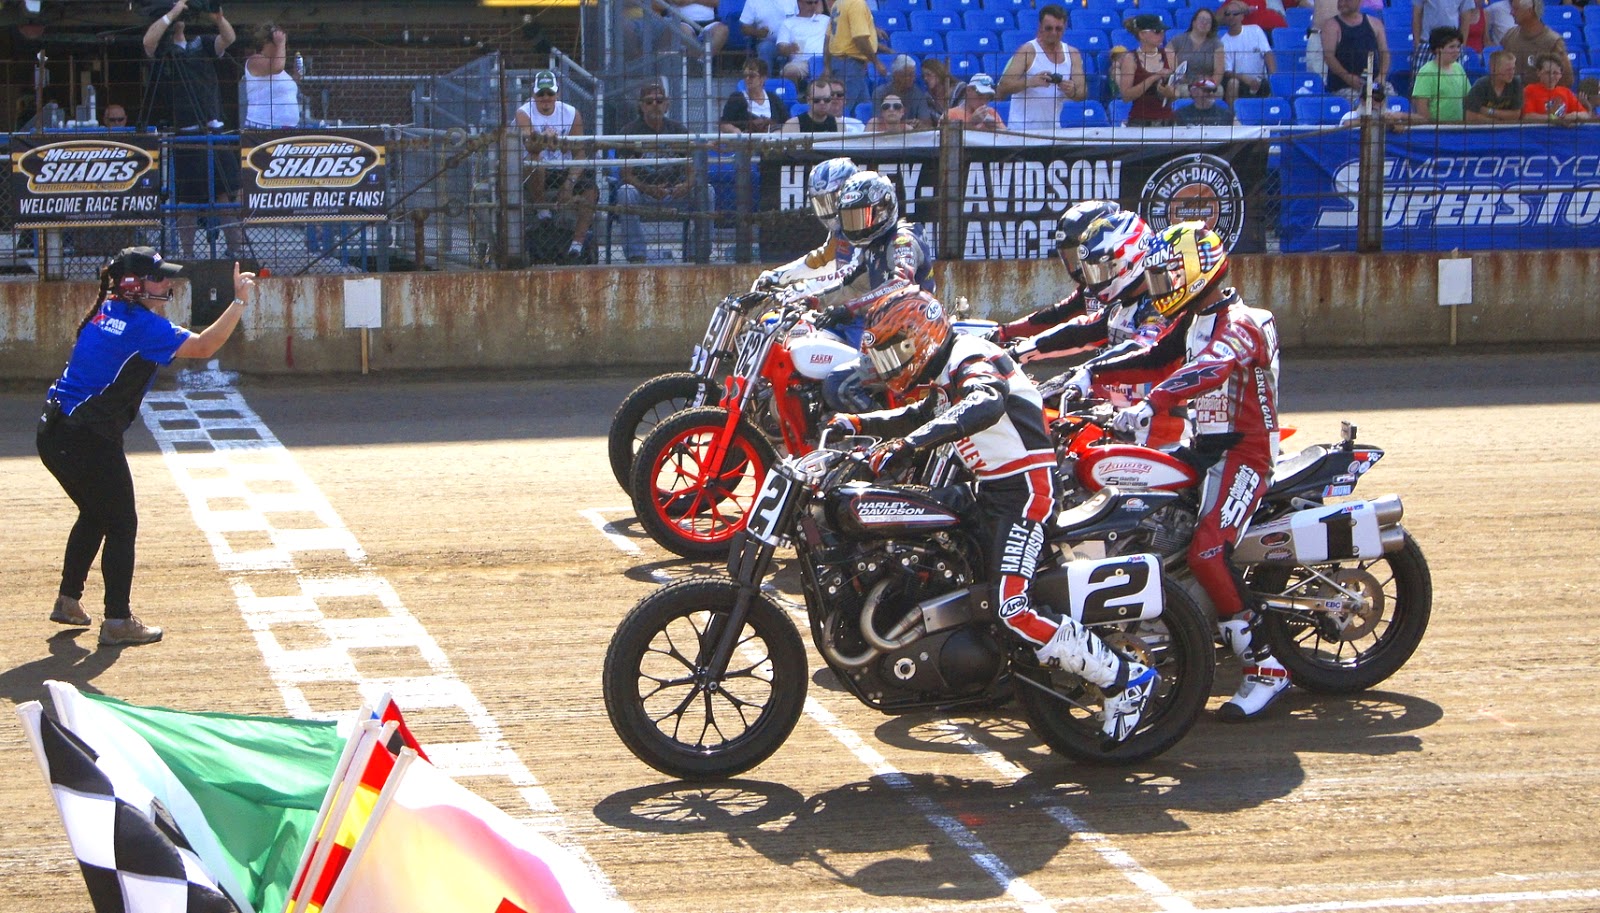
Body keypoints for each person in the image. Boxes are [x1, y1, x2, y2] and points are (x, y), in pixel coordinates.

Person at [826, 288, 1158, 747]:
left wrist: (907, 446)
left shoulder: (972, 357)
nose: (888, 367)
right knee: (921, 536)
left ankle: (1125, 678)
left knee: (1012, 607)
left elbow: (984, 402)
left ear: (917, 339)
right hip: (989, 490)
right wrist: (860, 425)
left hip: (1025, 494)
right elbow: (922, 413)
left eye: (891, 355)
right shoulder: (946, 371)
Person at [1072, 222, 1291, 721]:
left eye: (1165, 278)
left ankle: (1266, 668)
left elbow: (1209, 368)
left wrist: (1156, 400)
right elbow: (1154, 355)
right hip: (1202, 447)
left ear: (1194, 273)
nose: (1159, 289)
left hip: (1245, 454)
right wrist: (1091, 372)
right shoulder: (1194, 319)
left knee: (1208, 550)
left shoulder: (1242, 322)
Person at [37, 246, 256, 647]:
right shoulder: (141, 326)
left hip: (55, 433)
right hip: (86, 438)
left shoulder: (108, 310)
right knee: (121, 523)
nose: (167, 283)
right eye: (159, 278)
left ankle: (69, 601)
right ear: (135, 286)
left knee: (96, 513)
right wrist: (239, 300)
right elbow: (205, 346)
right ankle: (118, 620)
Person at [1006, 210, 1189, 448]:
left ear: (1129, 261)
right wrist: (1017, 352)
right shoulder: (1122, 306)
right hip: (1120, 427)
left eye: (1103, 270)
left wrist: (1082, 372)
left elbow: (1141, 348)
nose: (1096, 280)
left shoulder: (1162, 305)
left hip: (1160, 439)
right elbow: (1079, 331)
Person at [795, 171, 937, 409]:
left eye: (862, 217)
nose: (856, 226)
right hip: (888, 334)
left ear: (883, 210)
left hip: (915, 337)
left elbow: (902, 283)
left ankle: (881, 437)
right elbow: (848, 285)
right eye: (850, 219)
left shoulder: (902, 240)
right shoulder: (872, 246)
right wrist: (809, 301)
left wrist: (849, 309)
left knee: (839, 384)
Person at [142, 0, 242, 259]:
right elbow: (148, 43)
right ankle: (188, 254)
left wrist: (218, 17)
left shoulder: (202, 43)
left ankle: (234, 250)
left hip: (213, 128)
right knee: (186, 199)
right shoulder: (166, 49)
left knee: (225, 193)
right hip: (186, 131)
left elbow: (228, 38)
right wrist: (173, 12)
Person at [991, 199, 1123, 346]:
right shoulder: (1093, 287)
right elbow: (1059, 314)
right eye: (1073, 256)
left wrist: (1032, 348)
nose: (1079, 265)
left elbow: (1091, 331)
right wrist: (1005, 331)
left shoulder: (1136, 284)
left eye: (1082, 254)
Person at [614, 83, 711, 264]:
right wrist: (647, 188)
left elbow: (692, 170)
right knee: (625, 191)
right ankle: (637, 256)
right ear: (641, 106)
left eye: (659, 101)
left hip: (674, 193)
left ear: (667, 104)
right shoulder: (629, 132)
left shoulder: (679, 131)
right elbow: (625, 175)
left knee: (707, 190)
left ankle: (699, 252)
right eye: (649, 101)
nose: (654, 105)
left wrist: (686, 186)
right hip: (642, 193)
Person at [515, 70, 597, 264]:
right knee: (535, 160)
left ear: (557, 94)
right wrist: (543, 140)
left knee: (591, 189)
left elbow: (580, 153)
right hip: (533, 169)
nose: (545, 98)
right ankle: (543, 210)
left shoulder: (571, 113)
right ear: (534, 95)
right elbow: (529, 144)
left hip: (563, 168)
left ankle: (577, 244)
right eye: (541, 94)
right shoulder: (524, 113)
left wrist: (569, 184)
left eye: (550, 93)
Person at [998, 5, 1088, 132]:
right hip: (1022, 130)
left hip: (1052, 131)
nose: (1054, 33)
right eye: (1049, 28)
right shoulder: (1028, 50)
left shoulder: (1073, 54)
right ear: (1040, 27)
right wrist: (1030, 82)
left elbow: (1082, 92)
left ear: (1065, 27)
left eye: (1058, 29)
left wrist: (1071, 91)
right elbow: (1004, 86)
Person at [1321, 0, 1394, 103]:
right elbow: (1328, 57)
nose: (1342, 3)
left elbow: (1384, 52)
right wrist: (1347, 77)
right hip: (1344, 86)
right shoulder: (1331, 26)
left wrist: (1382, 75)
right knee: (1361, 105)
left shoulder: (1375, 23)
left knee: (1393, 104)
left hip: (1374, 82)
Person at [1117, 14, 1180, 127]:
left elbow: (1177, 91)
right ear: (1142, 34)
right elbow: (1126, 96)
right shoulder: (1130, 58)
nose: (1161, 34)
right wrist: (1153, 78)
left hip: (1167, 120)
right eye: (1157, 31)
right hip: (1140, 122)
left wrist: (1171, 93)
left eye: (1163, 31)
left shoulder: (1169, 55)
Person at [824, 0, 886, 112]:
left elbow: (828, 39)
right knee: (841, 110)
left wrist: (827, 66)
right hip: (850, 65)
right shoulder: (856, 3)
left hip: (845, 63)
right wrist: (876, 62)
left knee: (865, 108)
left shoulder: (838, 3)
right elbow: (860, 38)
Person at [1500, 0, 1573, 88]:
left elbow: (1566, 79)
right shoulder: (1509, 36)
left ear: (1530, 11)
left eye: (1516, 9)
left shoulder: (1553, 42)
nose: (1511, 13)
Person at [242, 22, 301, 129]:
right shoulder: (255, 60)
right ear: (267, 42)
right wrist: (280, 43)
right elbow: (277, 68)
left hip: (287, 128)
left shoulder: (277, 67)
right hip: (263, 126)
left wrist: (296, 76)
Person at [1219, 0, 1278, 104]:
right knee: (1233, 83)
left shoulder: (1255, 30)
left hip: (1260, 80)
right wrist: (1245, 78)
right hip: (1240, 81)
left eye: (1235, 13)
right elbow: (1227, 72)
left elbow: (1268, 53)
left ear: (1242, 16)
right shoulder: (1223, 41)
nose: (1231, 16)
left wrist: (1274, 77)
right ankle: (1233, 117)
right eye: (1227, 14)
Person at [1411, 27, 1472, 122]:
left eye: (1458, 46)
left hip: (1458, 127)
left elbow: (1468, 97)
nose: (1457, 51)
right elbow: (1422, 107)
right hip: (1437, 129)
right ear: (1438, 49)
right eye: (1452, 47)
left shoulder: (1458, 68)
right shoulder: (1427, 72)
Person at [720, 57, 790, 134]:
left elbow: (787, 122)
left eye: (751, 76)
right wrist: (734, 130)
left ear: (763, 78)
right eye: (745, 75)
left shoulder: (773, 98)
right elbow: (724, 124)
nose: (747, 78)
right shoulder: (737, 98)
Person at [1521, 51, 1592, 123]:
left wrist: (1573, 115)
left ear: (1560, 75)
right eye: (1547, 72)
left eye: (1555, 73)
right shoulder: (1530, 90)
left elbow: (1585, 114)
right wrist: (1555, 118)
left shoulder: (1566, 92)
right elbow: (1528, 116)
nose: (1551, 76)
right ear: (1538, 72)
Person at [1169, 7, 1227, 89]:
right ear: (1194, 22)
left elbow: (1219, 71)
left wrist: (1211, 85)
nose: (1204, 22)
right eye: (1201, 19)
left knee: (1218, 90)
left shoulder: (1216, 43)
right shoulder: (1178, 40)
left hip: (1206, 84)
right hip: (1183, 84)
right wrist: (1180, 76)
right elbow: (1168, 53)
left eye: (1208, 21)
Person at [776, 0, 830, 88]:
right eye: (809, 3)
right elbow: (781, 47)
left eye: (816, 2)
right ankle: (793, 99)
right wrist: (789, 48)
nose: (813, 5)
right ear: (799, 3)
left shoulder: (826, 20)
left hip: (824, 61)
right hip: (801, 63)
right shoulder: (788, 23)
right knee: (789, 71)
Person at [1411, 0, 1476, 72]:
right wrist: (1418, 45)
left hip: (1452, 46)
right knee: (1422, 79)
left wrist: (1460, 47)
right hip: (1427, 44)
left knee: (1452, 81)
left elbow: (1465, 20)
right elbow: (1416, 14)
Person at [873, 55, 934, 129]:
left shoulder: (918, 93)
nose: (913, 78)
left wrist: (919, 124)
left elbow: (927, 123)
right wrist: (904, 124)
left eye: (913, 75)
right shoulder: (880, 92)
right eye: (909, 75)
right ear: (896, 75)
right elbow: (877, 122)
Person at [1464, 49, 1526, 121]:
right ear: (1493, 69)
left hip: (1508, 130)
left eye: (1513, 69)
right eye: (1508, 70)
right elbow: (1470, 117)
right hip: (1482, 130)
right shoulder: (1481, 85)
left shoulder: (1516, 83)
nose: (1512, 73)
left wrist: (1489, 111)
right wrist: (1498, 121)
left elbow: (1516, 115)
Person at [738, 0, 796, 75]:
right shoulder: (753, 1)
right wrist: (758, 32)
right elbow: (744, 27)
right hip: (769, 42)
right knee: (765, 48)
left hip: (792, 41)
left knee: (802, 47)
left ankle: (794, 85)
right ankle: (765, 83)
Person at [660, 0, 729, 57]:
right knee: (683, 31)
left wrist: (691, 1)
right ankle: (697, 65)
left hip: (709, 22)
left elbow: (715, 2)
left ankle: (703, 61)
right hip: (683, 22)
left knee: (722, 30)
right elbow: (678, 2)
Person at [920, 58, 956, 126]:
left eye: (928, 75)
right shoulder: (927, 99)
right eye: (923, 76)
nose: (925, 79)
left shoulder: (959, 90)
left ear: (939, 73)